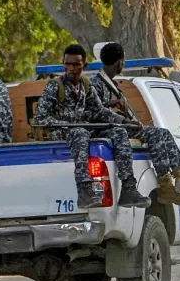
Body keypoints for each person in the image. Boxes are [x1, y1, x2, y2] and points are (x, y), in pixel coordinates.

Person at [89, 42, 180, 205]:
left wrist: (130, 119)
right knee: (136, 132)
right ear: (120, 63)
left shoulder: (112, 84)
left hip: (120, 126)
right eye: (123, 62)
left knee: (161, 133)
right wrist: (123, 119)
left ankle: (177, 177)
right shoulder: (95, 84)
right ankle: (164, 186)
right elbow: (97, 112)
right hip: (105, 129)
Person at [34, 44, 150, 209]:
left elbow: (100, 111)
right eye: (68, 64)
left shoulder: (85, 85)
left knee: (118, 131)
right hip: (60, 131)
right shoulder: (55, 86)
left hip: (83, 130)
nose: (71, 69)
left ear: (84, 66)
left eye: (76, 65)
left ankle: (128, 188)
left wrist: (123, 121)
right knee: (80, 132)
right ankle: (84, 190)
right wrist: (67, 125)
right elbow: (41, 119)